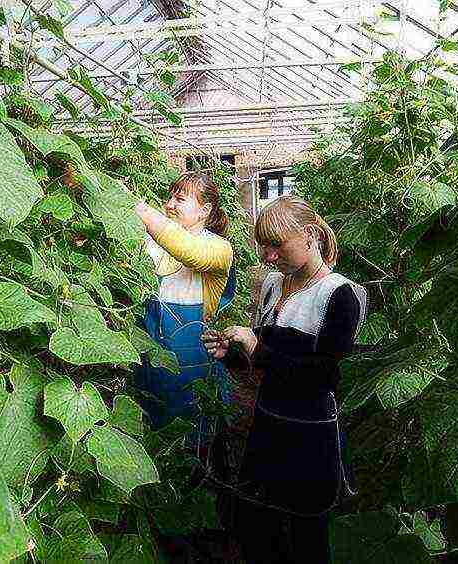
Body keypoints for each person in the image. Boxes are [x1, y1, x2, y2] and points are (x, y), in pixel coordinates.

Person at [202, 196, 366, 563]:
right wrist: (232, 353)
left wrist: (257, 347)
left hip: (310, 434)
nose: (268, 256)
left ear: (310, 236)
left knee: (307, 538)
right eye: (264, 245)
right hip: (269, 423)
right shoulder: (276, 286)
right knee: (262, 531)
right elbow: (267, 365)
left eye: (277, 245)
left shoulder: (340, 295)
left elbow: (321, 376)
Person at [133, 172, 236, 435]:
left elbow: (187, 251)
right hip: (148, 359)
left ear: (205, 210)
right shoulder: (153, 242)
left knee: (191, 436)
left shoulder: (219, 248)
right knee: (151, 433)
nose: (169, 204)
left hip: (192, 362)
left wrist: (140, 209)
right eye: (169, 198)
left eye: (180, 199)